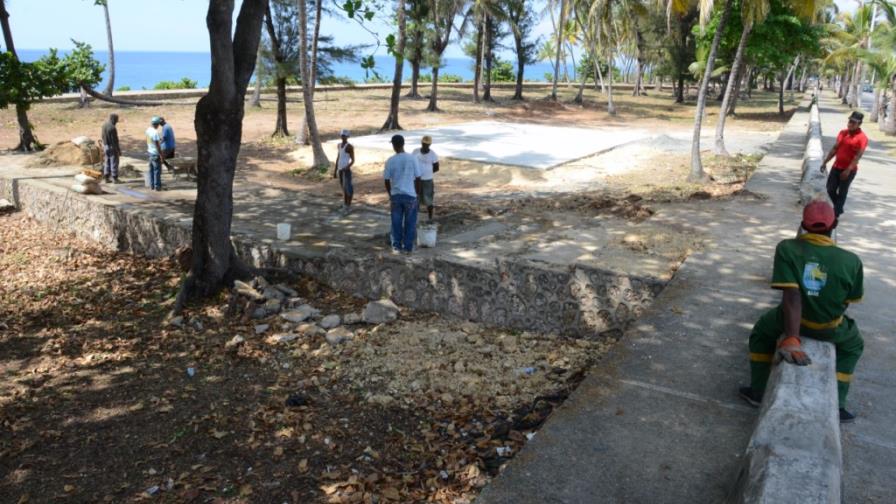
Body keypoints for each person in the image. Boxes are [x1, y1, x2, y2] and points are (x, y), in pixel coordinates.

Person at [739, 200, 864, 423]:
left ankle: (757, 391)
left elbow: (791, 296)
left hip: (790, 323)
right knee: (854, 345)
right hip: (830, 328)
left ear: (803, 225)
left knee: (761, 332)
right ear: (834, 224)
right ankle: (838, 404)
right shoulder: (852, 261)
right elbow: (848, 301)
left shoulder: (787, 248)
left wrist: (792, 337)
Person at [822, 111, 868, 218]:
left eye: (853, 122)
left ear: (859, 124)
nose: (850, 124)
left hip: (849, 170)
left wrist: (848, 170)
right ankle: (839, 208)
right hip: (836, 167)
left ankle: (836, 214)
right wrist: (825, 162)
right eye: (850, 121)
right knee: (830, 189)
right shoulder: (843, 133)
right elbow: (835, 149)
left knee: (842, 192)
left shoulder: (862, 138)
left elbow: (858, 156)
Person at [383, 134, 422, 254]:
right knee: (410, 223)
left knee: (396, 223)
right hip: (410, 195)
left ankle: (396, 247)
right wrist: (417, 194)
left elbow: (386, 180)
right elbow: (418, 178)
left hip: (396, 195)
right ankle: (408, 248)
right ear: (403, 144)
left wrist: (390, 194)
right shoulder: (412, 158)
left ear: (394, 146)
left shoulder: (390, 160)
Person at [412, 135, 439, 221]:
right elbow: (411, 163)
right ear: (421, 143)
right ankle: (415, 216)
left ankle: (430, 217)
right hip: (417, 179)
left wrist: (428, 172)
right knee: (416, 197)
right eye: (424, 144)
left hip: (427, 179)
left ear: (429, 145)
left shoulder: (433, 154)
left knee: (428, 199)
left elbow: (436, 167)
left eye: (427, 144)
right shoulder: (415, 151)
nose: (425, 146)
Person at [333, 129, 355, 213]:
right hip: (340, 169)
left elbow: (353, 160)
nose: (343, 137)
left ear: (347, 137)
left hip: (346, 170)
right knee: (343, 188)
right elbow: (338, 157)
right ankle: (345, 204)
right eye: (342, 135)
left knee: (348, 188)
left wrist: (347, 167)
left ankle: (348, 205)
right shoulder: (339, 145)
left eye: (345, 136)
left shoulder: (349, 147)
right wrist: (335, 170)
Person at [100, 113, 121, 183]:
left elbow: (102, 136)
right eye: (116, 120)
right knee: (114, 162)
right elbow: (114, 141)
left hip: (105, 146)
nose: (116, 122)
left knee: (107, 161)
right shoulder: (112, 128)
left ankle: (106, 178)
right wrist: (118, 150)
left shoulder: (104, 125)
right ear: (113, 119)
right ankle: (115, 178)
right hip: (112, 147)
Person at [146, 116, 165, 191]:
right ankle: (157, 186)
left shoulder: (148, 130)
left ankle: (152, 185)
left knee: (151, 170)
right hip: (155, 154)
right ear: (157, 124)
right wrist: (161, 155)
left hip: (150, 152)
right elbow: (157, 145)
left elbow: (150, 140)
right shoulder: (155, 132)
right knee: (157, 171)